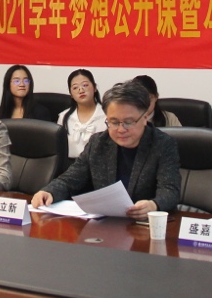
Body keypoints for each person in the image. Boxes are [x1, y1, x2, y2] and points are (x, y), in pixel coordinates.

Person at [32, 80, 180, 220]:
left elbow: (170, 190)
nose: (121, 129)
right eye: (114, 122)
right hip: (105, 223)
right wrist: (49, 191)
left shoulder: (162, 144)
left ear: (145, 117)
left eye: (128, 122)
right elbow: (70, 179)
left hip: (144, 225)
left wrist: (154, 205)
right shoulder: (98, 143)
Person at [58, 69, 105, 159]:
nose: (81, 90)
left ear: (95, 87)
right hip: (69, 164)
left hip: (99, 163)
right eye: (75, 87)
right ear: (71, 94)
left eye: (85, 85)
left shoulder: (107, 115)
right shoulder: (63, 117)